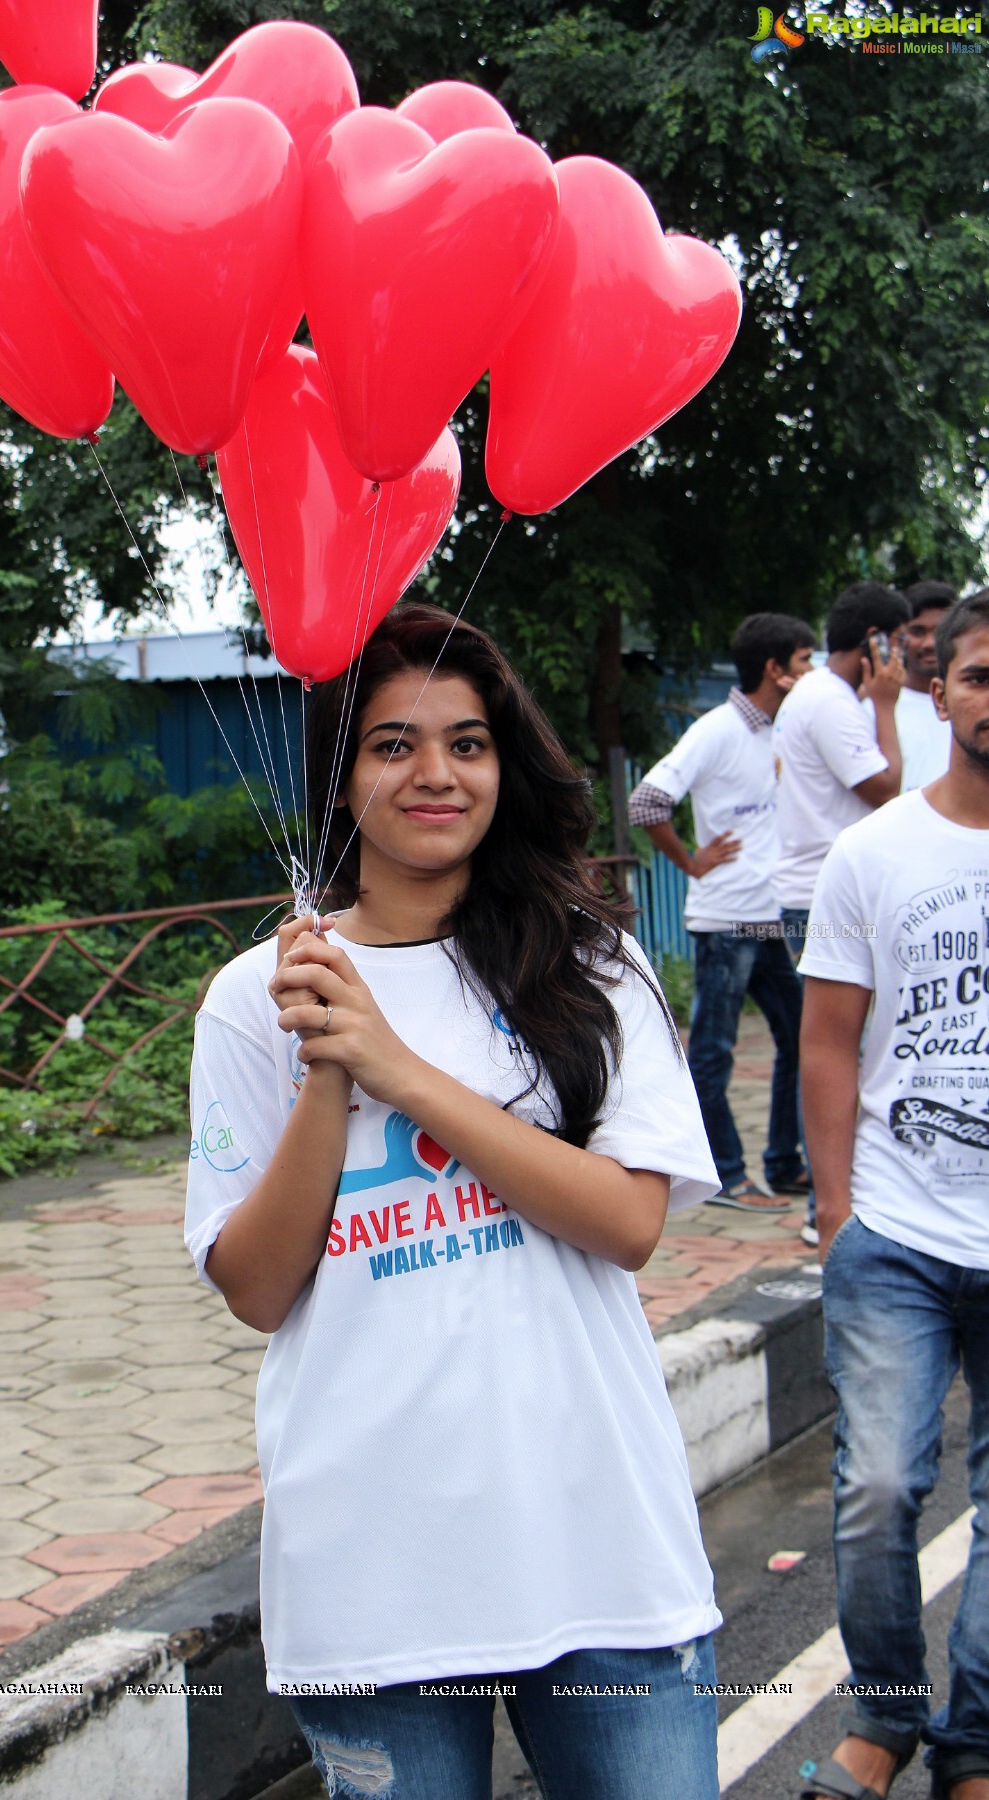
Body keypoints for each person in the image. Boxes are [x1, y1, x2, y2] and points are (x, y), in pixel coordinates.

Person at [184, 603, 723, 1800]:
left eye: (468, 742)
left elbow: (629, 1224)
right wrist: (331, 1066)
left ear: (504, 762)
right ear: (339, 779)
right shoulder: (251, 1000)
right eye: (393, 744)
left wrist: (399, 1070)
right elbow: (261, 1291)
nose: (436, 773)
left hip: (599, 1544)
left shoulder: (592, 965)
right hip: (375, 1566)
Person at [797, 589, 989, 1800]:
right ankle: (885, 1715)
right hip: (901, 1233)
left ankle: (973, 1742)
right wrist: (837, 1210)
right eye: (981, 674)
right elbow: (826, 1039)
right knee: (878, 1491)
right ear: (939, 690)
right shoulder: (875, 854)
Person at [629, 612, 815, 1210]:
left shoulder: (781, 731)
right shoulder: (717, 729)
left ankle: (785, 1162)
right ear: (775, 670)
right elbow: (647, 800)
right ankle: (725, 1177)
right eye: (804, 659)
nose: (809, 670)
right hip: (726, 923)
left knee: (804, 1040)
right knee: (712, 1052)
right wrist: (691, 861)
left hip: (768, 920)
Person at [772, 580, 909, 1244]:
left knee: (836, 1045)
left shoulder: (821, 700)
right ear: (874, 643)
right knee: (835, 1048)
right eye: (900, 642)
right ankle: (821, 1208)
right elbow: (886, 786)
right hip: (825, 898)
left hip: (820, 893)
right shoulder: (832, 703)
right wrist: (885, 704)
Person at [891, 580, 956, 790]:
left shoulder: (976, 706)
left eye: (939, 632)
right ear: (901, 635)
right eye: (918, 631)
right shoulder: (877, 709)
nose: (929, 643)